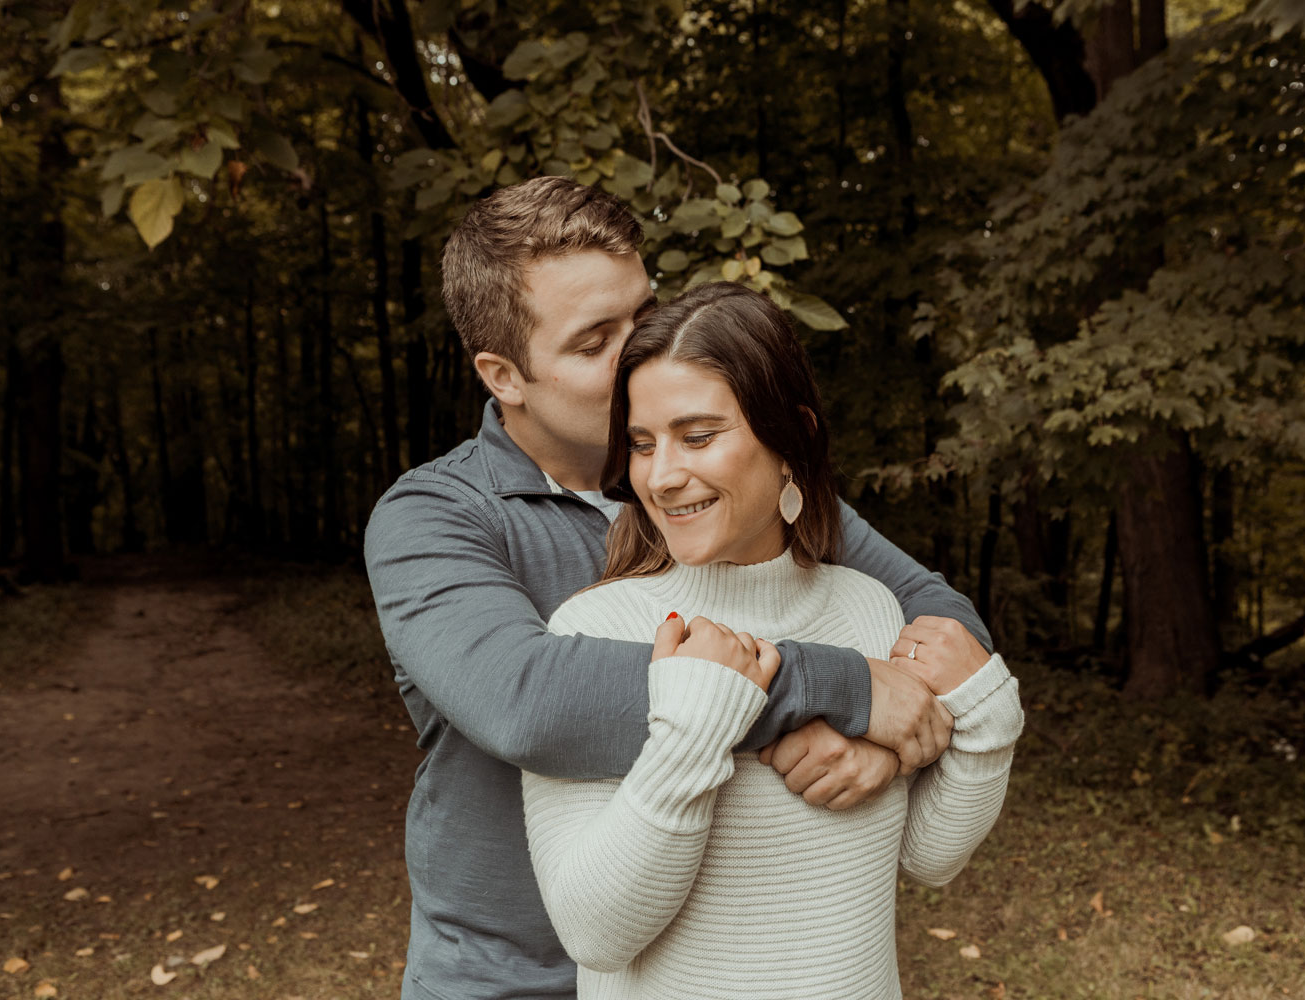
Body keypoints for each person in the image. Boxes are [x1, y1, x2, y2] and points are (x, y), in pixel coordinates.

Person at [364, 176, 993, 1000]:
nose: (639, 356)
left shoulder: (733, 489)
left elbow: (943, 619)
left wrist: (882, 737)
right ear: (504, 375)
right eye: (595, 342)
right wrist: (828, 686)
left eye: (642, 313)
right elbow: (525, 700)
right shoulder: (435, 517)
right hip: (509, 976)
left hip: (712, 965)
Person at [521, 282, 1023, 998]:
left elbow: (927, 859)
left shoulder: (870, 610)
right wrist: (694, 732)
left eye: (698, 436)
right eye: (641, 443)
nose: (661, 476)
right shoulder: (592, 631)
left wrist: (988, 721)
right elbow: (594, 933)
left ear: (792, 440)